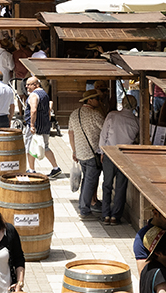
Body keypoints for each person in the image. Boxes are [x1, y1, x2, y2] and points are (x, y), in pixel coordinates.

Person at [99, 94, 139, 225]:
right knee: (121, 186)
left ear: (123, 103)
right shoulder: (136, 121)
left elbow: (103, 134)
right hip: (125, 156)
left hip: (110, 153)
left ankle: (105, 214)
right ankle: (115, 216)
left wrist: (101, 151)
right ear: (134, 106)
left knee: (107, 185)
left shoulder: (112, 115)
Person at [68, 88, 104, 217]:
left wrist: (74, 150)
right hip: (93, 153)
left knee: (87, 180)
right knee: (90, 181)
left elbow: (70, 133)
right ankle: (84, 208)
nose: (100, 101)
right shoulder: (95, 114)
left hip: (80, 153)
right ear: (90, 100)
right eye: (98, 99)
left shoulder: (74, 113)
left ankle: (84, 204)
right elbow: (106, 131)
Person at [24, 77, 61, 178]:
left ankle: (31, 169)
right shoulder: (44, 94)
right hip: (44, 124)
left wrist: (32, 125)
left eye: (29, 84)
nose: (27, 86)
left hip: (35, 126)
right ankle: (56, 168)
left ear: (36, 85)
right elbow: (49, 107)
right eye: (27, 84)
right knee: (45, 147)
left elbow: (33, 110)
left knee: (30, 146)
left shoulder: (34, 95)